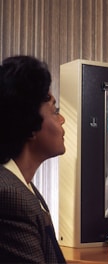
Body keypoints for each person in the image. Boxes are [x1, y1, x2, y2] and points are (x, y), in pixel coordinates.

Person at [0, 55, 66, 263]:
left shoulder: (23, 188)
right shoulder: (10, 197)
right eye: (55, 111)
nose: (62, 119)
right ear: (30, 124)